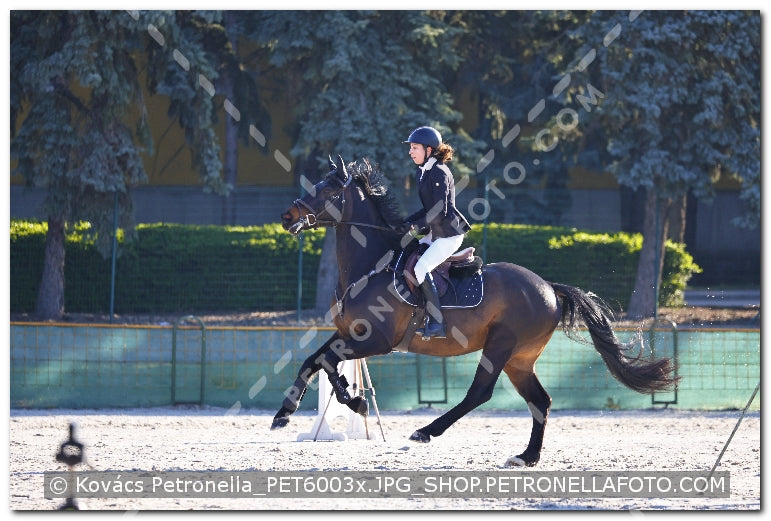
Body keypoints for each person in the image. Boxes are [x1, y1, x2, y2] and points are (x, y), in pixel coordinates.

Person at [399, 126, 471, 339]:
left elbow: (440, 210)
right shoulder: (424, 171)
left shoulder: (438, 171)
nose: (411, 152)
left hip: (449, 234)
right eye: (410, 148)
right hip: (436, 232)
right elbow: (427, 209)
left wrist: (416, 227)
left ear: (428, 150)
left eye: (415, 148)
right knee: (410, 256)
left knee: (421, 269)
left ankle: (437, 323)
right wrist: (406, 223)